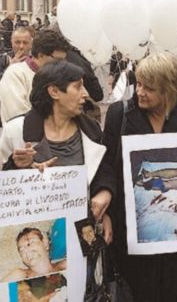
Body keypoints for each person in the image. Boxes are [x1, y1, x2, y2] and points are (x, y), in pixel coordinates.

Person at [103, 52, 177, 302]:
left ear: (169, 89)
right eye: (138, 84)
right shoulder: (120, 114)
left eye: (150, 88)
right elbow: (105, 164)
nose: (140, 92)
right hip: (133, 232)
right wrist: (105, 203)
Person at [0, 61, 114, 253]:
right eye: (77, 87)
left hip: (82, 241)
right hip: (34, 241)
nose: (85, 94)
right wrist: (18, 166)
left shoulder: (91, 130)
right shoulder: (16, 131)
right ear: (54, 92)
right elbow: (4, 189)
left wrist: (106, 198)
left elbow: (104, 170)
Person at [0, 29, 69, 123]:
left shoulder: (56, 76)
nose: (62, 65)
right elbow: (18, 118)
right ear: (41, 55)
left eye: (25, 43)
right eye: (58, 60)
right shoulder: (15, 74)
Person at [1, 227, 66, 282]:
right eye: (21, 250)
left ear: (45, 244)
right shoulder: (20, 275)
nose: (25, 251)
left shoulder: (65, 265)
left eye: (29, 243)